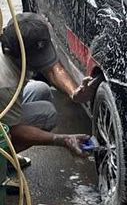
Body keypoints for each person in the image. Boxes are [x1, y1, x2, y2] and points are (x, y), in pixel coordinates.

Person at [0, 13, 99, 159]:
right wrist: (62, 140)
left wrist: (75, 93)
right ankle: (6, 159)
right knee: (47, 114)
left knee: (41, 89)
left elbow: (53, 69)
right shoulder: (6, 82)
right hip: (3, 118)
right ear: (17, 56)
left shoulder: (15, 42)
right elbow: (12, 131)